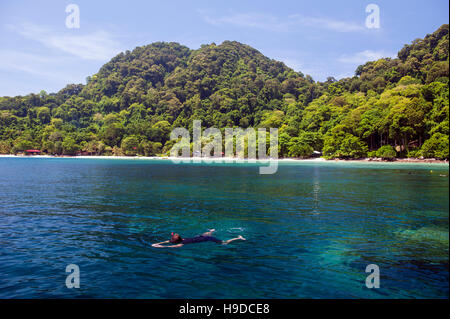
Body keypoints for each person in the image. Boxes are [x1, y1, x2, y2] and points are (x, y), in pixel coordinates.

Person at [151, 229, 245, 248]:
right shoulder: (179, 241)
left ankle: (238, 237)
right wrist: (158, 243)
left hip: (206, 239)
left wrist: (158, 246)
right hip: (199, 237)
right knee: (205, 234)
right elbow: (167, 241)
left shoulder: (180, 244)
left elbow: (168, 247)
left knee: (224, 243)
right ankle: (211, 230)